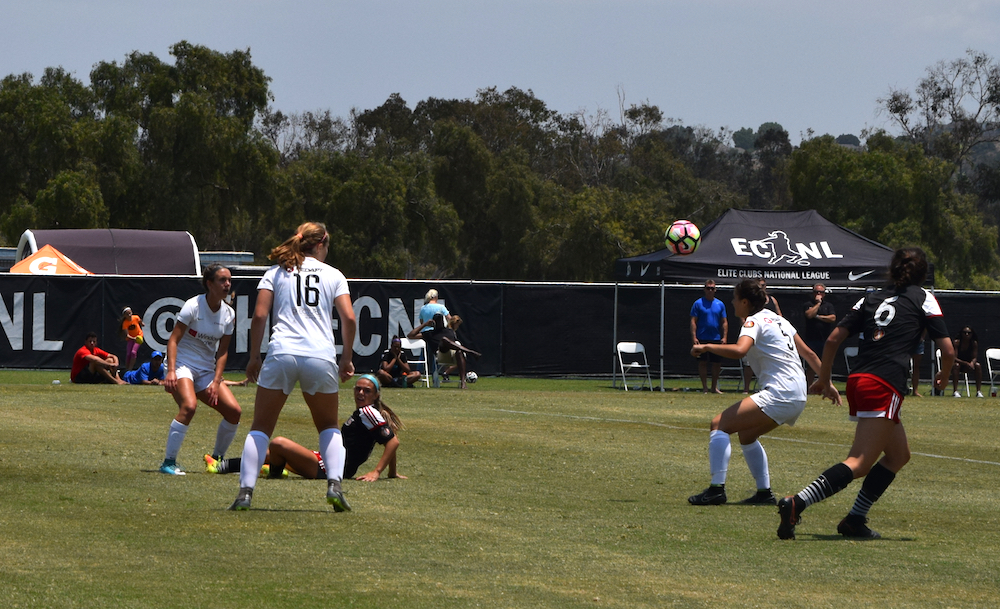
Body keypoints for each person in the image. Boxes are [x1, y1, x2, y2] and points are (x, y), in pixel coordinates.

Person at [777, 247, 955, 540]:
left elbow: (834, 338)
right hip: (885, 382)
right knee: (859, 462)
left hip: (859, 379)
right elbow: (947, 350)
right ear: (922, 273)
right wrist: (944, 375)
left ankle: (854, 520)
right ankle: (797, 502)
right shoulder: (923, 297)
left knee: (898, 455)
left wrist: (825, 378)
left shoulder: (870, 297)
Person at [229, 221, 357, 511]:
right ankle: (335, 485)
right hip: (320, 356)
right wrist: (346, 357)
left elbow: (259, 316)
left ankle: (245, 493)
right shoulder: (334, 275)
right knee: (328, 426)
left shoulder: (275, 272)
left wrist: (253, 357)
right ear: (322, 244)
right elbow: (349, 319)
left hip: (282, 352)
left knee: (260, 427)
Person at [688, 279, 839, 506]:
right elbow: (809, 354)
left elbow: (740, 351)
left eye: (735, 299)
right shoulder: (780, 320)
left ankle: (716, 490)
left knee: (718, 425)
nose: (732, 302)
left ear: (746, 302)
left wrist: (706, 347)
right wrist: (828, 383)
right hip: (798, 395)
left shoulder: (752, 322)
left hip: (781, 392)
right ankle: (764, 493)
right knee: (747, 436)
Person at [206, 375, 405, 482]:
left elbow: (392, 441)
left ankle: (274, 473)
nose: (360, 393)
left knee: (278, 443)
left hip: (329, 469)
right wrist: (391, 472)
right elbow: (388, 437)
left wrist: (377, 472)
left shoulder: (367, 412)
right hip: (324, 461)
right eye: (358, 389)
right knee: (269, 452)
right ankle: (221, 466)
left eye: (366, 391)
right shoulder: (368, 413)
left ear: (376, 395)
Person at [158, 264, 241, 476]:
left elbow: (222, 352)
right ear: (209, 284)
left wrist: (216, 380)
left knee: (234, 412)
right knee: (189, 406)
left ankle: (217, 460)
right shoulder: (193, 306)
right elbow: (173, 340)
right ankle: (168, 462)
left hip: (206, 369)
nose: (227, 284)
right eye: (222, 280)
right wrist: (171, 371)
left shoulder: (229, 314)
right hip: (182, 364)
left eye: (229, 280)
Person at [408, 313, 482, 389]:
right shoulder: (429, 333)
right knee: (444, 340)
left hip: (453, 354)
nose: (440, 323)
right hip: (441, 354)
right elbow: (410, 335)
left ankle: (463, 382)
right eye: (438, 321)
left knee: (459, 352)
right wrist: (425, 325)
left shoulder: (449, 331)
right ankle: (470, 352)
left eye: (441, 321)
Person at [742, 279, 782, 393]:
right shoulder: (752, 319)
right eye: (759, 286)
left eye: (763, 285)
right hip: (753, 336)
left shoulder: (772, 301)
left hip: (769, 339)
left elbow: (780, 317)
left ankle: (769, 388)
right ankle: (746, 388)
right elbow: (740, 350)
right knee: (749, 363)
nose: (762, 288)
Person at [690, 279, 728, 394]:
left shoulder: (720, 304)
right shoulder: (698, 303)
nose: (710, 290)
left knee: (716, 363)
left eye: (712, 288)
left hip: (716, 338)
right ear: (704, 289)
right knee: (703, 362)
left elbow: (724, 322)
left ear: (715, 290)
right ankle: (705, 388)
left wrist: (724, 337)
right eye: (708, 288)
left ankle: (714, 387)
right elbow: (693, 321)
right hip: (702, 338)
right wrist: (694, 337)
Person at [802, 283, 837, 387]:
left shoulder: (829, 306)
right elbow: (809, 314)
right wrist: (817, 304)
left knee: (827, 364)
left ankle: (827, 387)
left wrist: (818, 317)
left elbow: (832, 318)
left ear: (824, 294)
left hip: (825, 339)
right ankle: (808, 388)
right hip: (812, 339)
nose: (818, 294)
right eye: (816, 292)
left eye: (821, 292)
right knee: (812, 365)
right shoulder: (808, 304)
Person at [952, 326, 984, 398]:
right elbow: (954, 358)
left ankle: (978, 391)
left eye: (969, 333)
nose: (967, 334)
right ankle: (955, 391)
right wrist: (966, 363)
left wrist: (972, 363)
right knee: (956, 365)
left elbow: (974, 357)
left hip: (968, 365)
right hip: (959, 364)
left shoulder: (973, 343)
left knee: (978, 365)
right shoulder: (957, 342)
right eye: (964, 333)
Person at [119, 306, 145, 371]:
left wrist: (142, 323)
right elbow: (127, 335)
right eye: (127, 314)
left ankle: (130, 369)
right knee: (128, 354)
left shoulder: (136, 317)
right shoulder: (125, 323)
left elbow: (139, 321)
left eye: (130, 313)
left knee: (133, 352)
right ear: (125, 315)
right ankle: (126, 369)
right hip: (131, 338)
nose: (129, 315)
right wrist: (133, 338)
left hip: (139, 336)